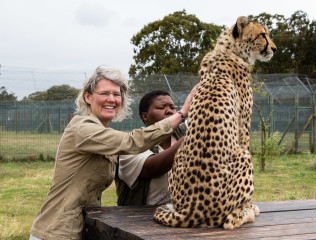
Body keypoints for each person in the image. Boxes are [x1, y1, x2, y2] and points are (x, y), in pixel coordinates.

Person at [29, 65, 197, 240]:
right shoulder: (82, 128)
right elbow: (131, 142)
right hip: (56, 232)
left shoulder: (102, 133)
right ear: (88, 97)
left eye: (116, 94)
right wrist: (182, 113)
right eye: (104, 93)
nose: (112, 99)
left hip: (83, 228)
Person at [115, 90, 186, 206]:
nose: (169, 111)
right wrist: (192, 137)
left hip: (181, 214)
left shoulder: (181, 135)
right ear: (145, 116)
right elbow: (154, 168)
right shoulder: (130, 145)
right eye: (161, 107)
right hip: (138, 218)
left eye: (172, 107)